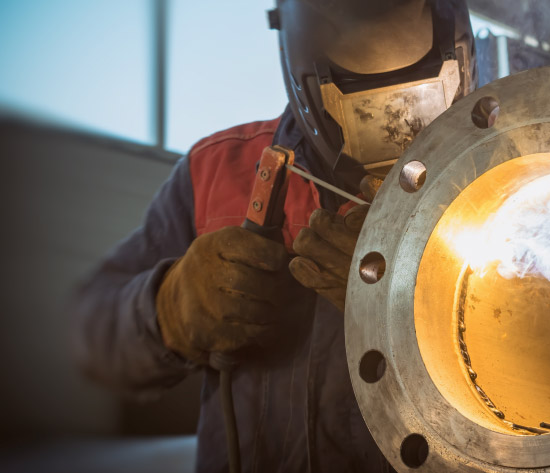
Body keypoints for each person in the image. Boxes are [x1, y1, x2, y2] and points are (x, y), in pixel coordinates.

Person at [71, 1, 477, 471]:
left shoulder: (515, 176)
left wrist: (418, 305)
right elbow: (89, 333)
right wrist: (169, 309)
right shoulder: (220, 168)